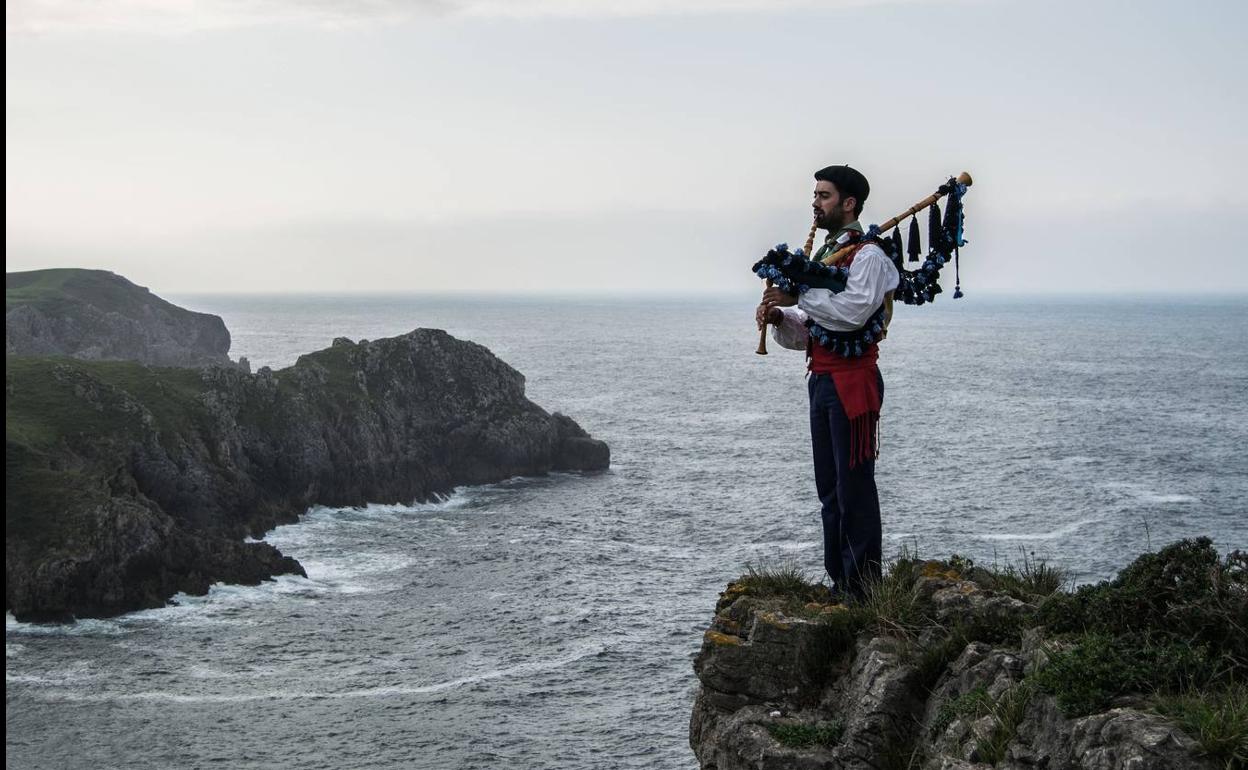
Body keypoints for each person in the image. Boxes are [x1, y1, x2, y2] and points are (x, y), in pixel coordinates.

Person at [755, 164, 899, 600]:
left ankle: (863, 588)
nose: (815, 203)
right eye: (815, 195)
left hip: (853, 384)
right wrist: (782, 316)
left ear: (849, 203)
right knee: (830, 488)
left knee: (853, 486)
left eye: (824, 196)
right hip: (821, 381)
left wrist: (800, 296)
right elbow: (814, 326)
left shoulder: (870, 255)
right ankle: (841, 580)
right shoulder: (825, 257)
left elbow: (853, 311)